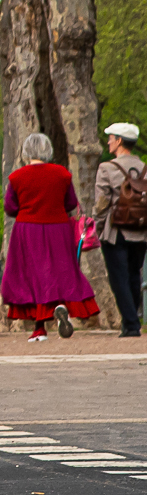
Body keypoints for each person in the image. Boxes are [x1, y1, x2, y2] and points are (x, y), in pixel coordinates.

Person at [2, 132, 99, 341]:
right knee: (59, 271)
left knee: (33, 276)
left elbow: (10, 207)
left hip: (28, 230)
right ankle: (60, 307)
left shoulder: (17, 177)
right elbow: (71, 204)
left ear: (26, 151)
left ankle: (39, 329)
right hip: (58, 228)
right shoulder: (62, 174)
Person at [94, 122, 147, 337]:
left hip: (115, 231)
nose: (108, 142)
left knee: (118, 277)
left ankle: (131, 324)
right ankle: (132, 319)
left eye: (111, 138)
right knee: (135, 274)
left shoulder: (107, 168)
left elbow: (101, 203)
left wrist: (97, 227)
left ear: (119, 142)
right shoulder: (144, 168)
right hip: (141, 230)